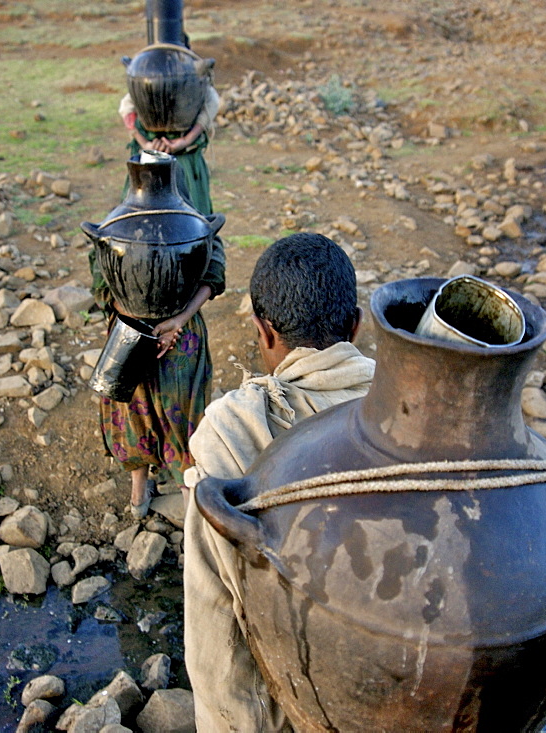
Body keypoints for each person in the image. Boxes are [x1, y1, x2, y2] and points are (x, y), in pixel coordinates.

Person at [182, 232, 376, 731]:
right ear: (355, 325)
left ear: (264, 332)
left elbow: (218, 619)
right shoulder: (413, 407)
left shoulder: (232, 430)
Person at [90, 228, 225, 518]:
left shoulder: (123, 220)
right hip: (182, 336)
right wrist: (177, 320)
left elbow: (102, 279)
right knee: (186, 421)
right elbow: (214, 267)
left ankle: (139, 496)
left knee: (133, 414)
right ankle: (190, 508)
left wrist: (138, 319)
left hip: (128, 336)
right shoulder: (193, 218)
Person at [119, 81, 220, 215]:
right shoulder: (146, 71)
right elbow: (127, 105)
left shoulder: (190, 70)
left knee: (192, 217)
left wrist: (186, 140)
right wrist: (145, 144)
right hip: (148, 164)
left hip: (185, 162)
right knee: (139, 216)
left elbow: (210, 101)